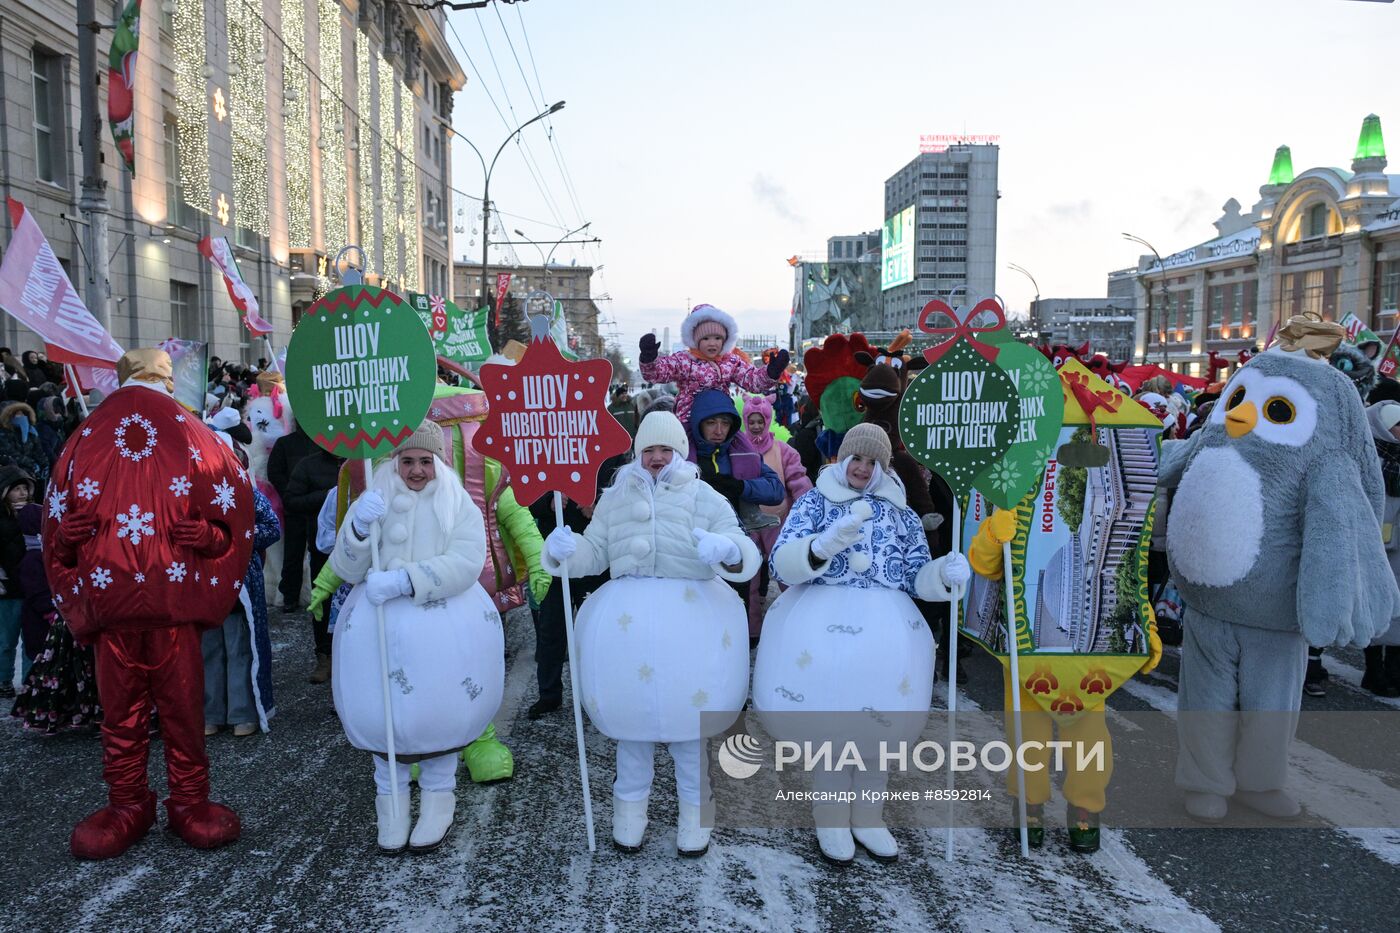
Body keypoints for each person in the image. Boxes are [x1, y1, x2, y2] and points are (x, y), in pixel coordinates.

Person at [44, 348, 253, 859]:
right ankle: (142, 802)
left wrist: (205, 535)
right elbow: (59, 523)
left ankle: (168, 800)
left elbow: (231, 518)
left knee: (160, 713)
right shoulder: (179, 438)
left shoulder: (101, 441)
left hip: (154, 612)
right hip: (133, 614)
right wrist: (68, 538)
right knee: (140, 714)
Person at [541, 411, 760, 856]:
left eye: (666, 450)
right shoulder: (616, 497)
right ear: (637, 453)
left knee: (686, 730)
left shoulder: (705, 496)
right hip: (630, 631)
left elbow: (742, 550)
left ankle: (696, 812)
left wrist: (728, 550)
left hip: (691, 630)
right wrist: (566, 550)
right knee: (633, 727)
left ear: (680, 453)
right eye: (649, 450)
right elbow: (596, 552)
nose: (657, 458)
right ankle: (629, 811)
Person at [755, 424, 970, 866]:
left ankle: (868, 816)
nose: (862, 468)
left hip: (886, 635)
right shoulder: (815, 502)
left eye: (873, 462)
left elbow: (916, 575)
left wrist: (945, 576)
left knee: (879, 731)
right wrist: (820, 547)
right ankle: (831, 817)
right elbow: (782, 562)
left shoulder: (901, 512)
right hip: (821, 629)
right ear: (842, 458)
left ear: (884, 467)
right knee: (832, 731)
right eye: (857, 458)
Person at [329, 420, 504, 854]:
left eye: (426, 460)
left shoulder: (455, 500)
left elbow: (466, 560)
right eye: (408, 460)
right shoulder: (375, 496)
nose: (417, 470)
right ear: (394, 460)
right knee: (382, 711)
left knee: (439, 712)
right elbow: (346, 568)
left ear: (438, 462)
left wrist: (408, 580)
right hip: (377, 627)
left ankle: (438, 800)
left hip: (443, 628)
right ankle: (390, 805)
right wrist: (357, 530)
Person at [638, 304, 787, 445]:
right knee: (686, 455)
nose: (712, 343)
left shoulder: (731, 361)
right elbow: (657, 373)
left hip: (721, 417)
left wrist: (771, 372)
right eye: (706, 338)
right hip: (689, 421)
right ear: (695, 340)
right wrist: (649, 358)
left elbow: (752, 380)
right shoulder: (684, 360)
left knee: (744, 449)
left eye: (717, 338)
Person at [203, 488, 281, 736]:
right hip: (202, 580)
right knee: (208, 648)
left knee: (240, 647)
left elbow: (271, 527)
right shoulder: (191, 488)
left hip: (240, 579)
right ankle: (210, 713)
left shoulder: (244, 492)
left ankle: (242, 713)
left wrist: (238, 535)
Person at [738, 394, 812, 639]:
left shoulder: (784, 450)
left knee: (785, 570)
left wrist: (806, 509)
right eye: (752, 421)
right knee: (750, 576)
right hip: (748, 522)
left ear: (768, 421)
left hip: (779, 521)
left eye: (761, 421)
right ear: (746, 421)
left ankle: (797, 619)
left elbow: (798, 480)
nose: (757, 426)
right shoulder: (739, 449)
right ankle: (751, 628)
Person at [284, 444, 343, 683]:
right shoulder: (308, 465)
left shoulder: (363, 462)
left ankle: (348, 659)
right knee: (323, 603)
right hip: (322, 547)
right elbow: (292, 500)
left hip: (359, 547)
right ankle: (324, 657)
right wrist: (330, 495)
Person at [1363, 400, 1400, 696]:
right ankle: (1374, 671)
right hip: (1376, 542)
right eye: (1397, 425)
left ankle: (1395, 670)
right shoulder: (1368, 456)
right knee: (1376, 605)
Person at [268, 421, 319, 611]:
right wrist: (290, 493)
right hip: (295, 508)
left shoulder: (323, 442)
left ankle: (318, 595)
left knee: (320, 555)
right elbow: (275, 471)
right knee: (293, 555)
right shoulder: (284, 443)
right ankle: (290, 597)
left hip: (317, 509)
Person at [0, 466, 34, 695]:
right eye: (16, 489)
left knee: (31, 638)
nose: (22, 493)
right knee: (6, 639)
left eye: (25, 488)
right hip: (8, 588)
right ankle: (3, 680)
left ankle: (31, 681)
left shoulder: (35, 515)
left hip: (32, 587)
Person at [0, 402, 50, 494]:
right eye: (17, 414)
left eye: (23, 413)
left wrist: (45, 465)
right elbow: (12, 454)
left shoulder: (31, 432)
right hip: (16, 476)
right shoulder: (4, 434)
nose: (21, 417)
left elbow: (38, 451)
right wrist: (32, 464)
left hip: (34, 475)